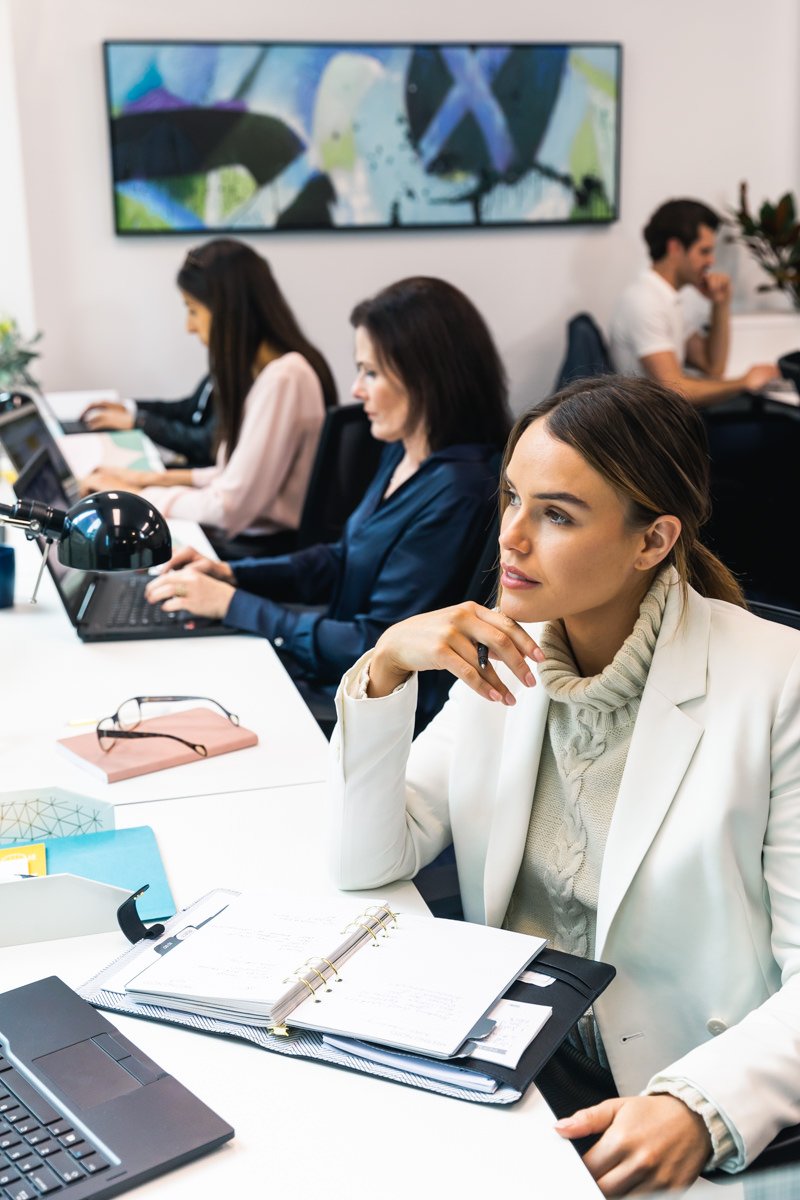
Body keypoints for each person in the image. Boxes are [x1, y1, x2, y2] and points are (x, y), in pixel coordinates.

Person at [327, 375, 800, 1194]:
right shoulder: (510, 649)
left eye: (556, 514)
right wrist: (387, 666)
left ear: (653, 541)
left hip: (666, 1098)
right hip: (511, 1069)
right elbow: (368, 859)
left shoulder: (776, 686)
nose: (510, 537)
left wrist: (701, 1104)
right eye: (512, 497)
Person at [144, 276, 512, 730]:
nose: (356, 390)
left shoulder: (460, 490)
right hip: (331, 671)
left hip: (368, 704)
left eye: (371, 373)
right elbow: (341, 559)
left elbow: (379, 641)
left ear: (427, 377)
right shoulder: (403, 452)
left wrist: (232, 604)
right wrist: (232, 575)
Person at [82, 238, 337, 556]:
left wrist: (138, 495)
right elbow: (233, 476)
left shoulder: (283, 379)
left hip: (257, 549)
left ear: (227, 310)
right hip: (251, 538)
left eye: (193, 311)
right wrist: (148, 479)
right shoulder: (273, 372)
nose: (189, 327)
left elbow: (228, 508)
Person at [609, 198, 779, 405]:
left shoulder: (668, 298)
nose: (711, 261)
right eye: (704, 251)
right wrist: (744, 382)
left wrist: (720, 304)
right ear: (675, 248)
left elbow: (712, 367)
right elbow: (673, 391)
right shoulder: (645, 302)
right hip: (656, 431)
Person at [80, 376, 217, 468]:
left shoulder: (235, 377)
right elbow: (187, 409)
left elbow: (206, 443)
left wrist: (139, 421)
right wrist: (129, 408)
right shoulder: (218, 370)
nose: (190, 330)